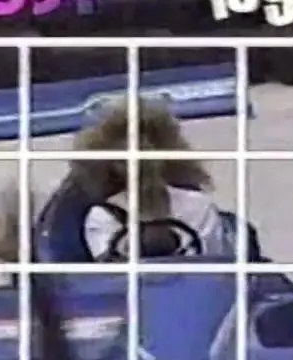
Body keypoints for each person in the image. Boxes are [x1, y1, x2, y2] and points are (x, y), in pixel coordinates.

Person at [74, 99, 231, 261]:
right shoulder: (102, 217)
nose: (140, 168)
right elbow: (111, 271)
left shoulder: (198, 206)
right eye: (125, 161)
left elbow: (214, 262)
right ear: (110, 166)